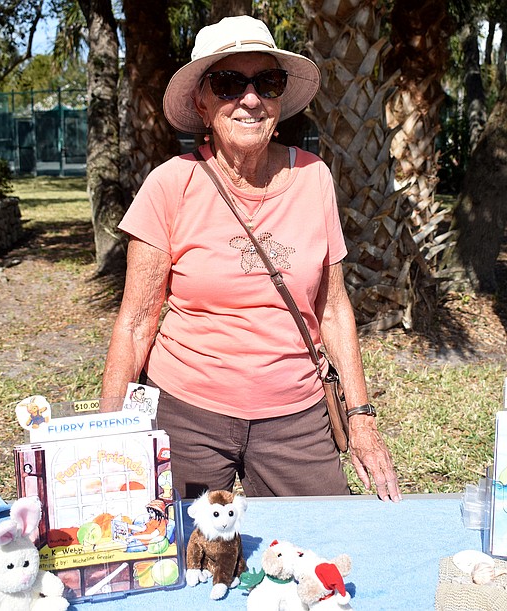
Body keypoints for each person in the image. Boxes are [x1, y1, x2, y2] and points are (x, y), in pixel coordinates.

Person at [102, 15, 401, 503]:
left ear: (280, 100)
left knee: (318, 557)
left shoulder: (314, 178)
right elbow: (135, 324)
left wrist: (361, 420)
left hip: (297, 418)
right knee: (180, 560)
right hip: (186, 414)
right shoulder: (169, 184)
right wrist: (110, 430)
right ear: (201, 102)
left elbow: (334, 308)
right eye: (227, 83)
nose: (250, 99)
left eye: (267, 82)